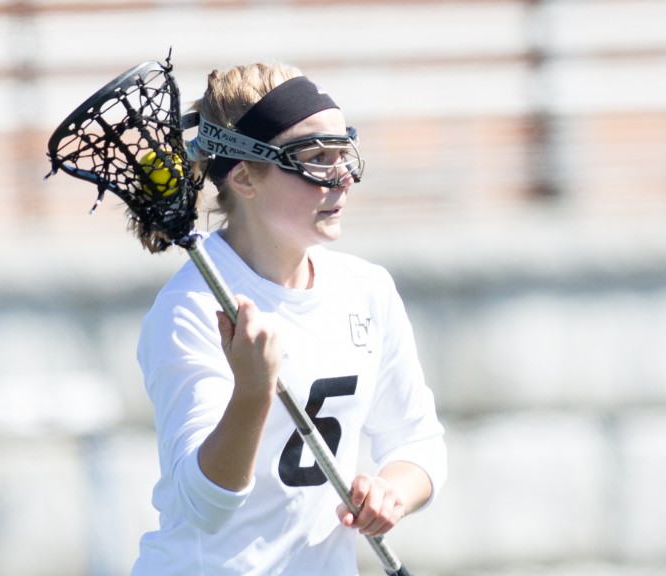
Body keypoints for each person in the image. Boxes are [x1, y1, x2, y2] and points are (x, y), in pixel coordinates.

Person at [130, 62, 448, 576]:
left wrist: (392, 492)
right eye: (315, 160)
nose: (342, 178)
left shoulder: (367, 291)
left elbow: (418, 441)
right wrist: (252, 390)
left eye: (343, 154)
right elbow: (205, 506)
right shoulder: (189, 309)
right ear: (244, 178)